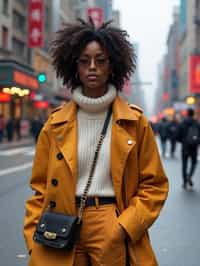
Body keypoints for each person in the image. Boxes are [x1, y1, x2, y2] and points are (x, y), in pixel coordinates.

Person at [23, 19, 168, 266]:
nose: (92, 67)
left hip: (111, 219)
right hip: (61, 221)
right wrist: (33, 238)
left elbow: (154, 185)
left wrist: (123, 227)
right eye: (84, 61)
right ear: (74, 66)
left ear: (112, 66)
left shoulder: (135, 121)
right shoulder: (55, 124)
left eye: (101, 61)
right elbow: (40, 189)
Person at [177, 108, 200, 190]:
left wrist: (182, 141)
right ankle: (190, 176)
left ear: (187, 114)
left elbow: (178, 135)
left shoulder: (182, 123)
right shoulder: (196, 123)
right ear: (193, 114)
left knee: (184, 164)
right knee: (194, 162)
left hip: (185, 147)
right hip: (194, 147)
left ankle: (184, 181)